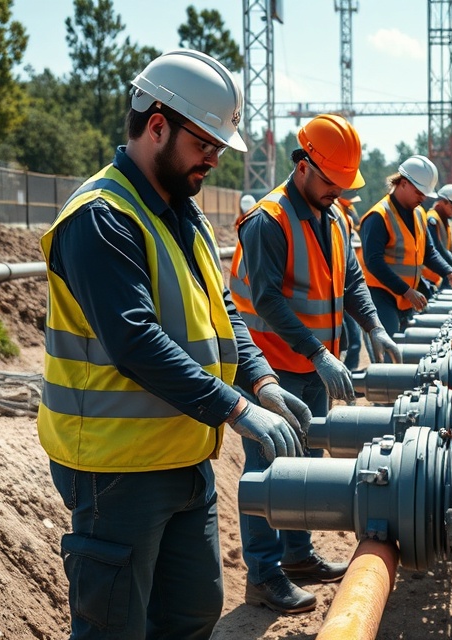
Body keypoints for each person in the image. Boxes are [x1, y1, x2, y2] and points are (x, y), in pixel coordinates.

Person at [38, 49, 310, 639]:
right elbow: (134, 339)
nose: (214, 158)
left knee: (191, 614)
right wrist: (237, 410)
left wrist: (261, 381)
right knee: (113, 628)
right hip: (116, 469)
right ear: (157, 125)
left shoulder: (183, 214)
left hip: (187, 454)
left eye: (219, 147)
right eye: (204, 144)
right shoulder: (102, 216)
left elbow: (224, 314)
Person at [230, 114, 402, 614]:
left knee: (304, 462)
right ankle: (263, 574)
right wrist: (319, 353)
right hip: (271, 371)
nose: (338, 191)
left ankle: (298, 555)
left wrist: (373, 325)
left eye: (343, 184)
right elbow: (267, 299)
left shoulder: (335, 216)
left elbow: (352, 278)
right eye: (331, 182)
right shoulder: (268, 220)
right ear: (303, 165)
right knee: (268, 466)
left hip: (309, 367)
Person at [358, 155, 452, 337]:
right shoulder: (378, 216)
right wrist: (407, 291)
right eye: (419, 192)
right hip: (381, 295)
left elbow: (429, 252)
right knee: (390, 345)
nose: (423, 198)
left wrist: (450, 274)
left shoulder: (419, 214)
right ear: (403, 183)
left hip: (406, 296)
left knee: (406, 345)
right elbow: (373, 262)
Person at [335, 191, 365, 371]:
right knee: (346, 339)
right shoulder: (336, 212)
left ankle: (350, 372)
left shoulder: (348, 212)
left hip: (348, 289)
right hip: (336, 292)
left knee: (355, 338)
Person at [422, 183, 452, 293]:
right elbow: (437, 248)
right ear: (443, 202)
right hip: (428, 277)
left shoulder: (442, 220)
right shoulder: (431, 220)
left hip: (438, 274)